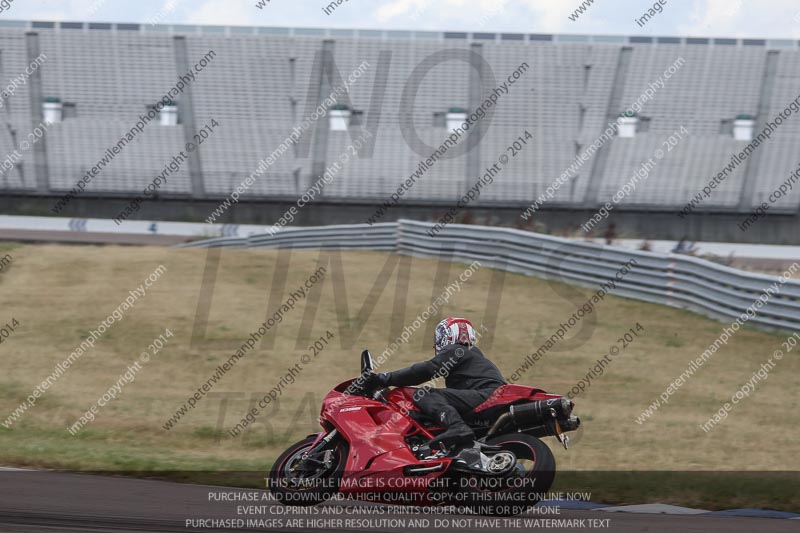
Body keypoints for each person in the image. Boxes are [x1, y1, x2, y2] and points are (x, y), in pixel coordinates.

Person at [364, 317, 506, 454]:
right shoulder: (472, 357)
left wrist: (382, 379)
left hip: (487, 396)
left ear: (447, 337)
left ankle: (457, 427)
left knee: (425, 394)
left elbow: (426, 370)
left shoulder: (458, 350)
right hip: (489, 400)